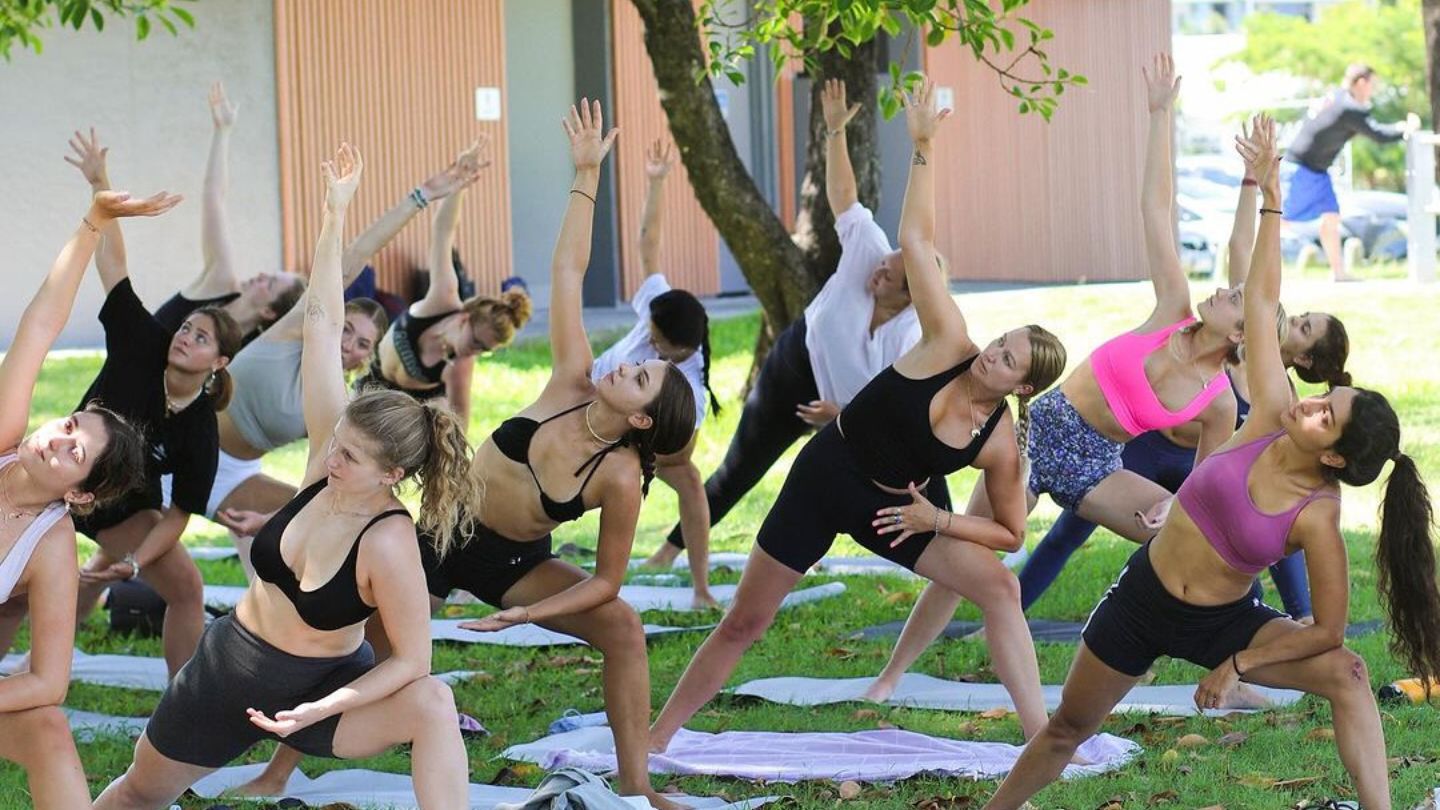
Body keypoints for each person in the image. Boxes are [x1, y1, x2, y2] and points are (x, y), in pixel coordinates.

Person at [983, 114, 1440, 810]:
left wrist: (1241, 662)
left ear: (1337, 456)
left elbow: (1327, 630)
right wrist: (1273, 195)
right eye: (1326, 397)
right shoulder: (1266, 412)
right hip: (1145, 597)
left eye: (1328, 417)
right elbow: (1259, 299)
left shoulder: (1318, 513)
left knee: (1347, 671)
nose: (1312, 407)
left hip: (1226, 622)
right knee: (1067, 728)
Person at [650, 78, 1067, 749]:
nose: (993, 354)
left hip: (896, 511)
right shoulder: (947, 342)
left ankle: (1040, 735)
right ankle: (659, 735)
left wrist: (938, 518)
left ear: (1023, 385)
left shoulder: (1000, 445)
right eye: (1002, 342)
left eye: (1009, 359)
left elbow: (1012, 534)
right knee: (744, 622)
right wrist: (925, 147)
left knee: (999, 589)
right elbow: (914, 233)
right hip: (826, 477)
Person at [864, 55, 1287, 700]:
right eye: (1232, 290)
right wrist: (1158, 116)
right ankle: (891, 677)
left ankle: (1228, 670)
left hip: (1097, 463)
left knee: (1201, 546)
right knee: (964, 563)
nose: (1226, 291)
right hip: (1037, 431)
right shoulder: (1171, 308)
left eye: (1234, 299)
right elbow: (1156, 207)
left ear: (1239, 334)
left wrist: (1177, 509)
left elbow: (1208, 483)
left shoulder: (1215, 404)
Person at [94, 144, 476, 810]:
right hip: (228, 664)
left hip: (321, 689)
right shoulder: (327, 453)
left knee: (433, 702)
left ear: (391, 476)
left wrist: (318, 708)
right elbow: (324, 324)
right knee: (136, 795)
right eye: (336, 444)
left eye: (350, 459)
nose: (329, 459)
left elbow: (412, 662)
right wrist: (334, 215)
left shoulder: (389, 542)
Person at [418, 100, 693, 810]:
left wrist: (523, 616)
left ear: (637, 416)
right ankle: (279, 765)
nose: (622, 364)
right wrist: (586, 175)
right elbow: (568, 270)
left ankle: (636, 788)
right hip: (442, 529)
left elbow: (605, 583)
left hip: (514, 564)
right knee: (368, 642)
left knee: (625, 629)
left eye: (637, 374)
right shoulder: (573, 378)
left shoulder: (622, 478)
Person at [1015, 123, 1355, 620]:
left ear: (1300, 357)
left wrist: (1180, 508)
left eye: (1304, 329)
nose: (1295, 320)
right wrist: (1254, 186)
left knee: (1223, 532)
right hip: (1144, 451)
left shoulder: (1260, 389)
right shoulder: (1200, 322)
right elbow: (1241, 254)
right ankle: (1010, 611)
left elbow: (1214, 483)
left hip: (1176, 465)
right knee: (1066, 529)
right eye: (1299, 318)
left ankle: (1277, 619)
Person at [647, 77, 923, 569]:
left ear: (909, 299)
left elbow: (895, 414)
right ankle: (668, 551)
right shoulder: (869, 248)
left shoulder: (911, 338)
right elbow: (843, 195)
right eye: (887, 260)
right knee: (741, 467)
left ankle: (922, 551)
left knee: (841, 481)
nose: (880, 267)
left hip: (847, 416)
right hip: (797, 364)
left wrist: (839, 416)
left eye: (891, 274)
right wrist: (834, 133)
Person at [202, 139, 491, 542]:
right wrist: (421, 195)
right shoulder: (291, 333)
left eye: (361, 344)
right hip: (186, 439)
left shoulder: (338, 402)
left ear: (365, 359)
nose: (347, 344)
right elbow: (356, 254)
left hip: (231, 477)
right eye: (346, 329)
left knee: (340, 527)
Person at [0, 189, 172, 810]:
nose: (60, 442)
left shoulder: (49, 548)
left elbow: (49, 681)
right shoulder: (3, 441)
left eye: (79, 454)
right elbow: (40, 327)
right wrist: (92, 224)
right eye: (70, 426)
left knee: (48, 729)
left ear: (78, 494)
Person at [594, 139, 721, 608]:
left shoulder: (687, 383)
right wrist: (656, 181)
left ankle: (701, 587)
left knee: (687, 478)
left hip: (630, 429)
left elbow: (677, 450)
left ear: (673, 348)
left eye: (654, 335)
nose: (646, 332)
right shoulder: (663, 310)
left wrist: (632, 451)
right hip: (590, 396)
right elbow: (648, 244)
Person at [353, 141, 533, 423]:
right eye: (475, 341)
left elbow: (460, 421)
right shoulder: (444, 297)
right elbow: (442, 234)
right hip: (368, 384)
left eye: (483, 350)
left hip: (395, 418)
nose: (473, 352)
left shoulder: (460, 366)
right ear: (464, 318)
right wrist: (458, 185)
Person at [1284, 64, 1418, 281]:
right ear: (1361, 83)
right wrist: (1405, 128)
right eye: (1372, 85)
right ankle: (1246, 256)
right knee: (1280, 220)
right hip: (1301, 168)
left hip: (1318, 170)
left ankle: (1339, 273)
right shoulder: (1348, 108)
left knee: (1331, 217)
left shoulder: (1338, 97)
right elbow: (1378, 134)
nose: (1373, 91)